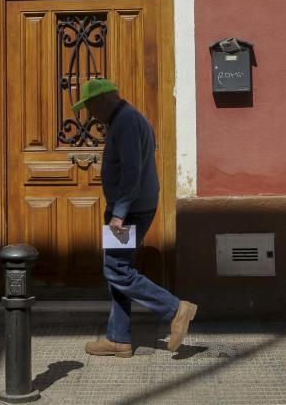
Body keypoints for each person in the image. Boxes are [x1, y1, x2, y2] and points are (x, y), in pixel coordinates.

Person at [71, 78, 197, 358]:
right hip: (133, 207)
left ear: (105, 99)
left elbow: (131, 172)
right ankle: (119, 338)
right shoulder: (130, 118)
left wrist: (119, 213)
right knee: (119, 269)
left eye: (90, 106)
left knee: (116, 269)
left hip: (128, 211)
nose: (90, 114)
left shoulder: (126, 122)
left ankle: (176, 309)